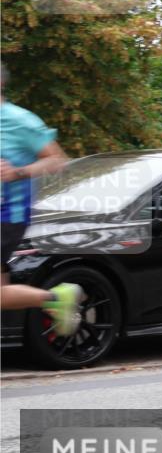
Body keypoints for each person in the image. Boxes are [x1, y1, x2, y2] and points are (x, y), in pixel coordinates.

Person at [0, 63, 82, 336]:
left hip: (7, 215)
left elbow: (57, 160)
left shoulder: (20, 120)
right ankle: (56, 299)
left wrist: (17, 173)